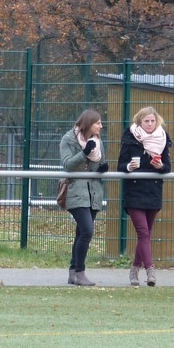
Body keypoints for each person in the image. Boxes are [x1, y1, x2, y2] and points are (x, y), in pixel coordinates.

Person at [117, 106, 173, 287]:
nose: (150, 124)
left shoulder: (162, 138)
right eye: (146, 121)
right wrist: (129, 167)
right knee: (143, 233)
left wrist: (160, 167)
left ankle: (134, 269)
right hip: (134, 193)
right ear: (139, 122)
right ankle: (150, 272)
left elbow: (167, 167)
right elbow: (120, 165)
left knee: (146, 234)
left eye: (152, 121)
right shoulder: (130, 138)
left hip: (153, 192)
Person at [60, 109, 109, 286]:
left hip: (93, 193)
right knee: (87, 230)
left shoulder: (97, 141)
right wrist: (84, 153)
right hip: (76, 192)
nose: (101, 126)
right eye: (98, 123)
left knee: (81, 232)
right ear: (89, 124)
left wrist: (102, 169)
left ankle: (73, 273)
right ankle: (80, 271)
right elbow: (68, 165)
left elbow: (97, 164)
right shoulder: (68, 139)